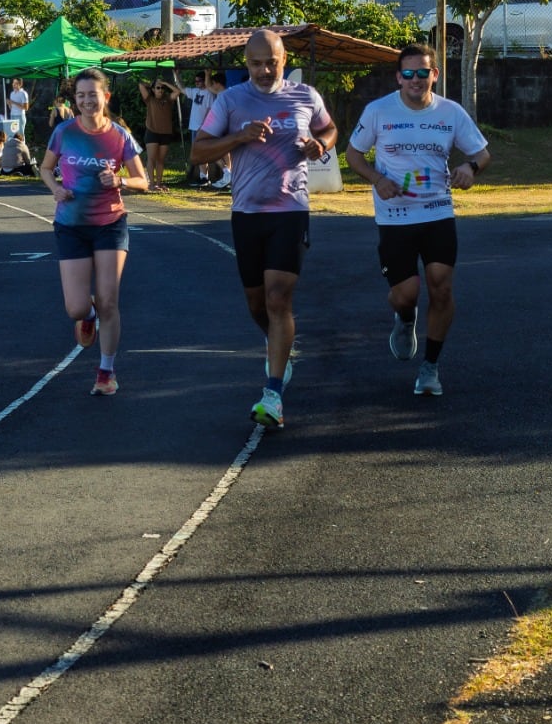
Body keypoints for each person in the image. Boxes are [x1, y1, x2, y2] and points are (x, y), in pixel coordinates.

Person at [190, 29, 337, 430]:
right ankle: (277, 346)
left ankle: (272, 393)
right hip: (247, 212)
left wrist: (320, 146)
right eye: (255, 63)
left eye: (271, 62)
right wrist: (240, 136)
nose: (264, 70)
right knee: (257, 304)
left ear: (283, 58)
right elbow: (198, 150)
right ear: (246, 64)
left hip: (290, 209)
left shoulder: (305, 96)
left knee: (277, 298)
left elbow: (329, 129)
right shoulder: (231, 101)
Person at [345, 43, 489, 398]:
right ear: (398, 77)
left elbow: (482, 153)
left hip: (438, 211)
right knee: (405, 295)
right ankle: (406, 318)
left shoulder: (450, 113)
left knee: (441, 285)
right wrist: (378, 180)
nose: (415, 79)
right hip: (395, 217)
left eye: (423, 72)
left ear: (434, 75)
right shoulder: (379, 111)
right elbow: (352, 154)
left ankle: (430, 368)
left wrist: (469, 167)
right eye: (408, 73)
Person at [40, 66, 149, 396]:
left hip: (110, 224)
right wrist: (55, 188)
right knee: (76, 307)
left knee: (108, 301)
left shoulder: (120, 136)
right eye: (81, 95)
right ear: (75, 100)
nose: (87, 101)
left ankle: (106, 371)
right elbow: (46, 168)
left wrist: (120, 180)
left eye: (93, 94)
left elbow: (144, 181)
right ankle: (86, 318)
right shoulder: (64, 132)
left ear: (106, 97)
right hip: (71, 224)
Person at [137, 75, 185, 191]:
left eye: (162, 88)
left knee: (161, 160)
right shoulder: (149, 99)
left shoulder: (168, 99)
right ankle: (151, 184)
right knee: (151, 159)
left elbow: (177, 91)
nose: (160, 90)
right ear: (153, 90)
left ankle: (158, 183)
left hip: (165, 133)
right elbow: (140, 85)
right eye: (158, 88)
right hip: (152, 132)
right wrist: (153, 84)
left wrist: (164, 83)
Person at [184, 70, 212, 186]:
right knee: (198, 153)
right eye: (195, 81)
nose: (196, 83)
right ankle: (203, 177)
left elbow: (210, 110)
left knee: (205, 152)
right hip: (194, 127)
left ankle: (206, 177)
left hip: (203, 128)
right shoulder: (195, 91)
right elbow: (181, 88)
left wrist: (203, 125)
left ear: (204, 81)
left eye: (199, 81)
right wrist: (176, 75)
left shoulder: (209, 93)